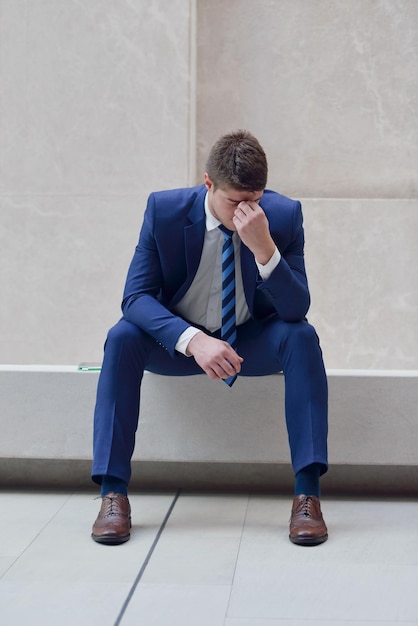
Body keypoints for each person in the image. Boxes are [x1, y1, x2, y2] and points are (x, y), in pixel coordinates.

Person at [91, 130, 329, 547]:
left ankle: (307, 495)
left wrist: (265, 250)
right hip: (180, 345)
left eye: (254, 199)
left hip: (248, 344)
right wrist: (192, 340)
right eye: (235, 201)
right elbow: (136, 296)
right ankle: (113, 494)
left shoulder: (283, 216)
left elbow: (295, 309)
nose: (246, 211)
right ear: (208, 184)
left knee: (302, 337)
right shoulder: (164, 211)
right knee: (122, 337)